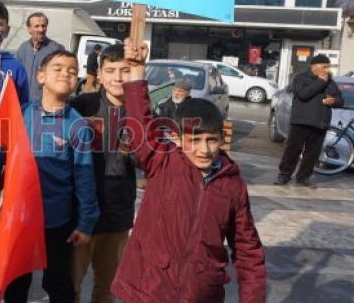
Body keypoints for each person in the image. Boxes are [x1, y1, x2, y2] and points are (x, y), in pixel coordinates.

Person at [110, 39, 266, 303]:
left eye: (211, 140)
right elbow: (140, 122)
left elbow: (247, 251)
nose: (204, 150)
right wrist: (137, 71)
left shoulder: (233, 186)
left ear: (221, 139)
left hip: (200, 293)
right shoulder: (162, 162)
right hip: (147, 289)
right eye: (194, 140)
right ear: (177, 138)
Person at [4, 50, 99, 303]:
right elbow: (4, 155)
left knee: (57, 282)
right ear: (41, 76)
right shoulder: (20, 114)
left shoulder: (77, 125)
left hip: (57, 220)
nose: (66, 74)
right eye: (58, 68)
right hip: (21, 218)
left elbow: (84, 176)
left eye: (72, 70)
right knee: (15, 281)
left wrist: (86, 222)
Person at [69, 43, 137, 303]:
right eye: (110, 70)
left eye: (125, 70)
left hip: (117, 215)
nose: (118, 77)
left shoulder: (140, 112)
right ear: (99, 74)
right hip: (80, 213)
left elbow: (148, 161)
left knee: (107, 290)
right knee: (71, 286)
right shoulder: (82, 105)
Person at [274, 54, 344, 188]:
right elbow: (303, 94)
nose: (327, 70)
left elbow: (340, 100)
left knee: (312, 153)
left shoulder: (331, 82)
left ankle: (304, 177)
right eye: (324, 67)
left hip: (320, 122)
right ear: (314, 67)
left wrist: (334, 101)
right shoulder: (301, 78)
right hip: (301, 121)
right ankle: (284, 175)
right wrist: (321, 82)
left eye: (328, 67)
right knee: (293, 150)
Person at [16, 12, 64, 103]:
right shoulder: (23, 48)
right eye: (37, 26)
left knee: (37, 118)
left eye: (43, 26)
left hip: (44, 103)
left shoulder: (56, 49)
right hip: (23, 102)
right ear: (29, 29)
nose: (41, 29)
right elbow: (17, 76)